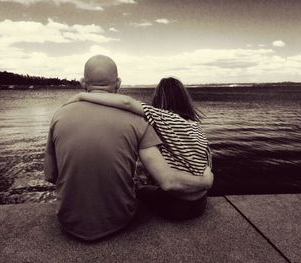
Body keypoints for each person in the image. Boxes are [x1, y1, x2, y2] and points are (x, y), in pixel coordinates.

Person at [44, 55, 213, 241]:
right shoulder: (140, 120)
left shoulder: (59, 115)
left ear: (83, 83)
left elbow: (51, 175)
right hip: (120, 220)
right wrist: (206, 181)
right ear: (118, 83)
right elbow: (166, 179)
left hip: (69, 222)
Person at [66, 77, 212, 220]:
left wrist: (82, 96)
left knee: (140, 191)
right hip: (200, 203)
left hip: (176, 206)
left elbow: (127, 102)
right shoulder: (197, 129)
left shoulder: (165, 118)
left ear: (161, 98)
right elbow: (205, 166)